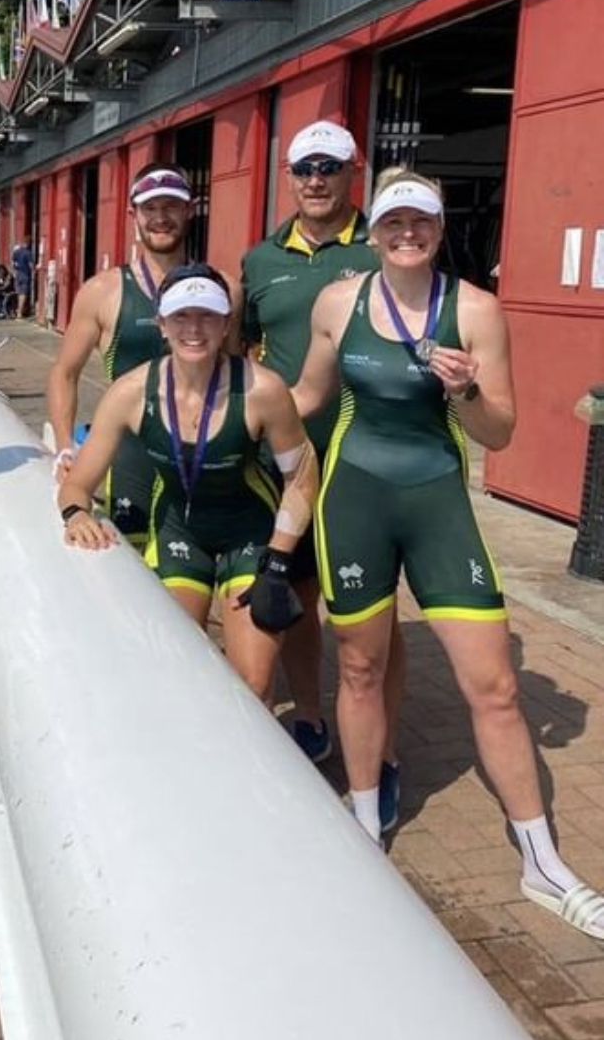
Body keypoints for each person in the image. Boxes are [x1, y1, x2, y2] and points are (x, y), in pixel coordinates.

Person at [292, 170, 604, 937]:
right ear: (374, 233)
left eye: (421, 221)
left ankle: (542, 863)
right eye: (394, 222)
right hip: (354, 499)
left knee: (495, 687)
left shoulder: (475, 310)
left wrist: (464, 392)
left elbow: (500, 432)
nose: (407, 233)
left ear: (437, 229)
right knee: (360, 669)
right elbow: (304, 398)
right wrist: (222, 415)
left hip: (437, 505)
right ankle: (365, 829)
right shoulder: (338, 303)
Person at [241, 119, 405, 824]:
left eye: (329, 167)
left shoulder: (384, 248)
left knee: (375, 619)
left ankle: (385, 755)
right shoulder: (260, 258)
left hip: (368, 459)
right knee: (299, 594)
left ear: (352, 172)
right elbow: (244, 346)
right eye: (304, 168)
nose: (315, 180)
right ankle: (311, 717)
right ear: (289, 176)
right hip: (288, 465)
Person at [58, 264, 317, 700]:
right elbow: (77, 484)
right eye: (181, 316)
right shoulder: (130, 392)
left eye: (207, 316)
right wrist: (75, 515)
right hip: (180, 532)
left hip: (249, 534)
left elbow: (302, 478)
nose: (193, 330)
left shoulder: (263, 390)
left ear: (226, 323)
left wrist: (278, 560)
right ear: (161, 324)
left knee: (253, 684)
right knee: (175, 671)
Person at [48, 163, 197, 547]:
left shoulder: (220, 290)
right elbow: (65, 372)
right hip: (128, 459)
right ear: (133, 214)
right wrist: (65, 447)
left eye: (171, 206)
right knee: (128, 561)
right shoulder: (102, 292)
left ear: (190, 210)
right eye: (150, 208)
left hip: (199, 459)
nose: (161, 217)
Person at [11, 236, 34, 318]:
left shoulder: (16, 252)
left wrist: (15, 270)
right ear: (29, 243)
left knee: (19, 293)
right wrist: (35, 269)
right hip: (25, 274)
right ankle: (19, 312)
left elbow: (13, 263)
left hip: (18, 274)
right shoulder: (28, 253)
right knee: (23, 294)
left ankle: (18, 310)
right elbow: (31, 265)